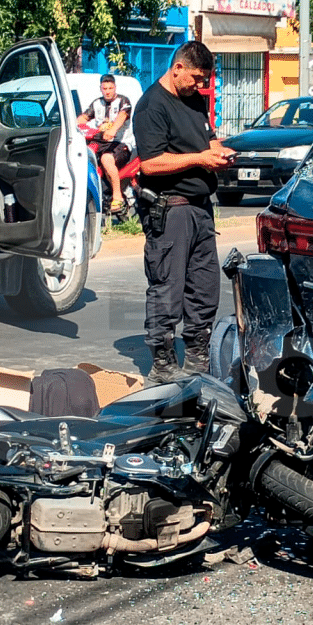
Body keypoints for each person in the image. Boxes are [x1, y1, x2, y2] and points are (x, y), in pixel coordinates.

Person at [132, 41, 235, 383]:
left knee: (204, 289)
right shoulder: (151, 106)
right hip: (170, 209)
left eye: (204, 79)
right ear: (177, 68)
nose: (199, 85)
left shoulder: (195, 101)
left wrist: (219, 153)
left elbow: (208, 142)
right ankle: (162, 366)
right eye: (195, 77)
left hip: (201, 209)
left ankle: (196, 360)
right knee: (167, 289)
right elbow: (151, 162)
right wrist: (199, 159)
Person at [78, 74, 135, 214]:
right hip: (100, 142)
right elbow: (83, 118)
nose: (108, 91)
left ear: (115, 87)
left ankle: (117, 197)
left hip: (120, 144)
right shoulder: (97, 103)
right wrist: (71, 127)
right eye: (105, 88)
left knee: (106, 159)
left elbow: (123, 116)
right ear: (100, 89)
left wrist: (113, 129)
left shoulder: (123, 101)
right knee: (83, 156)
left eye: (110, 88)